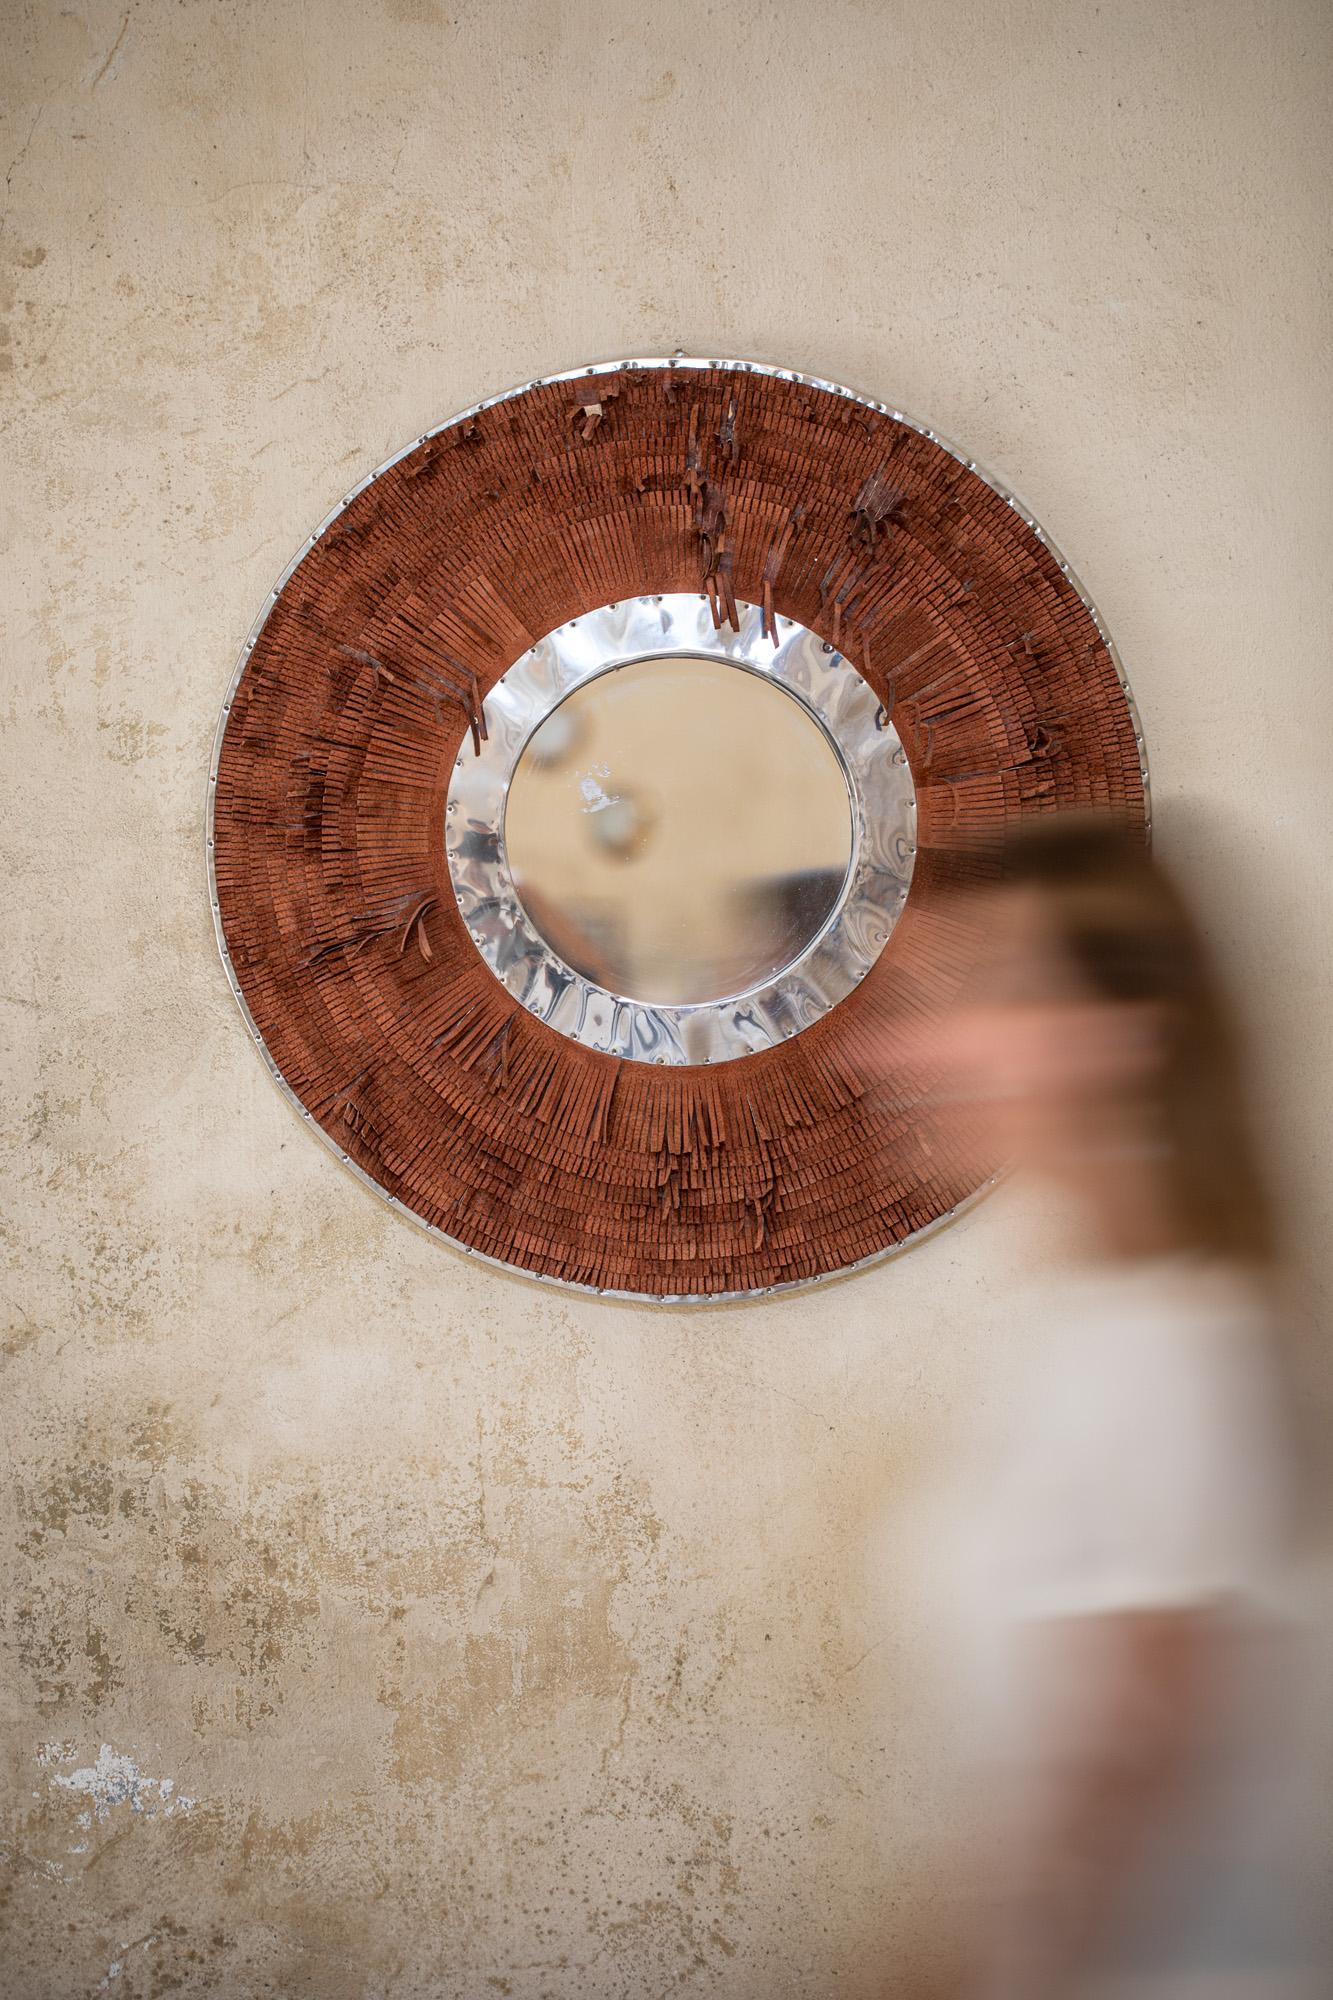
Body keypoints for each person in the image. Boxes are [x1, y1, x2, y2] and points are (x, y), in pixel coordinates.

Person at [919, 812, 1315, 1999]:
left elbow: (1110, 1824)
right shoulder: (1084, 1329)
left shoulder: (1178, 1351)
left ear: (1120, 1034)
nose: (931, 1043)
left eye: (992, 990)